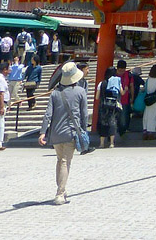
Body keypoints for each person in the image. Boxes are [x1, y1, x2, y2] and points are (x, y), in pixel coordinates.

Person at [38, 61, 88, 205]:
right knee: (65, 162)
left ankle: (62, 188)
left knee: (60, 161)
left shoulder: (55, 93)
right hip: (71, 132)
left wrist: (43, 132)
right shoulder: (80, 91)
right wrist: (83, 130)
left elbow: (48, 114)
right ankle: (60, 193)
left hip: (55, 133)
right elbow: (84, 114)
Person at [97, 66, 122, 149]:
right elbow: (121, 92)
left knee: (103, 123)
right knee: (112, 122)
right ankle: (111, 143)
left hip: (103, 106)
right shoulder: (117, 82)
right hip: (113, 106)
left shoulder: (101, 83)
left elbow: (97, 97)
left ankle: (101, 143)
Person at [142, 64, 156, 140]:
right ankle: (151, 132)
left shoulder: (148, 79)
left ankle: (145, 131)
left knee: (147, 115)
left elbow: (144, 89)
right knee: (154, 116)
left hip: (148, 99)